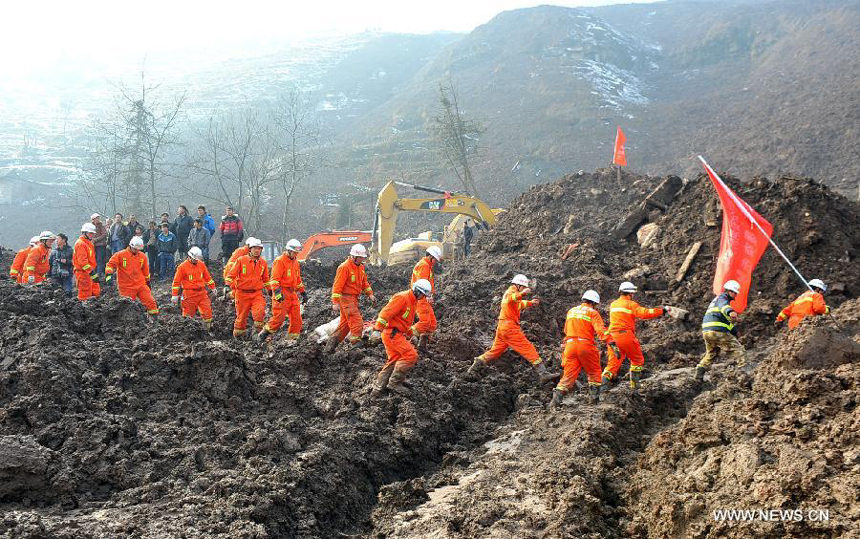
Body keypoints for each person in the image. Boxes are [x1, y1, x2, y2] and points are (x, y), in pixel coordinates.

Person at [468, 274, 557, 382]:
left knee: (495, 350)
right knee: (528, 348)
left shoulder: (511, 293)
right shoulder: (511, 292)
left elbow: (518, 304)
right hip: (509, 327)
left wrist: (530, 303)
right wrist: (523, 293)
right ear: (519, 285)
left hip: (502, 327)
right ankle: (543, 373)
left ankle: (477, 364)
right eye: (523, 287)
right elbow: (512, 299)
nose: (524, 289)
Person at [368, 279, 433, 396]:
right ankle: (395, 382)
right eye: (423, 295)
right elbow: (385, 313)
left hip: (396, 334)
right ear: (418, 291)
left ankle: (377, 389)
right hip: (392, 334)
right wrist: (377, 330)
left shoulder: (412, 301)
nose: (423, 298)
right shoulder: (402, 297)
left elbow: (403, 321)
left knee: (394, 359)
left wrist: (410, 334)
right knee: (410, 355)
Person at [602, 281, 666, 389]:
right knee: (637, 360)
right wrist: (662, 311)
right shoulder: (631, 304)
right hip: (625, 336)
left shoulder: (613, 304)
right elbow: (645, 313)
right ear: (631, 293)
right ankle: (635, 387)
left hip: (613, 337)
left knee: (612, 365)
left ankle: (601, 389)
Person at [551, 290, 609, 406]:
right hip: (585, 345)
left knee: (568, 376)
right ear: (594, 303)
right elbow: (600, 331)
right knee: (594, 372)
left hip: (570, 346)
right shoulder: (592, 312)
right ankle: (594, 401)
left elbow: (566, 330)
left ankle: (554, 403)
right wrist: (611, 342)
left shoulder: (571, 311)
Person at [325, 244, 377, 352]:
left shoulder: (361, 267)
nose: (362, 259)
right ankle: (355, 345)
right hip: (345, 298)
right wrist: (335, 302)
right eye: (361, 257)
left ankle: (330, 347)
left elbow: (364, 283)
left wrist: (370, 294)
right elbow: (337, 285)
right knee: (357, 322)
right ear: (353, 256)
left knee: (345, 325)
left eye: (363, 257)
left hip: (354, 299)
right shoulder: (344, 267)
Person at [696, 280, 745, 382]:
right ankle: (745, 375)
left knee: (711, 353)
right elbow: (724, 307)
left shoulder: (715, 303)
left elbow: (726, 322)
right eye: (735, 293)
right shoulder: (722, 298)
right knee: (739, 351)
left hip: (707, 332)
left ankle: (699, 374)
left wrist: (735, 332)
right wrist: (730, 311)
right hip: (717, 331)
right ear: (729, 291)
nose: (735, 296)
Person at [258, 239, 307, 342]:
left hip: (292, 294)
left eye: (297, 253)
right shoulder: (280, 261)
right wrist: (277, 293)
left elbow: (298, 280)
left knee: (297, 319)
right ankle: (263, 334)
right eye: (294, 252)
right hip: (282, 292)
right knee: (279, 318)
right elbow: (274, 279)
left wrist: (303, 292)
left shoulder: (295, 263)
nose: (296, 254)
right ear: (288, 250)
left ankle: (292, 340)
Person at [105, 237, 158, 319]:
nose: (137, 251)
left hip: (140, 284)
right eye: (136, 249)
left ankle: (154, 320)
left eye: (138, 250)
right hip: (126, 286)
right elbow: (110, 265)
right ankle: (129, 323)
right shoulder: (120, 255)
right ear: (131, 246)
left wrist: (148, 282)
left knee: (151, 302)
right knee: (128, 306)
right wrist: (109, 275)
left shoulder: (142, 256)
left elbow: (146, 271)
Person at [226, 237, 269, 338]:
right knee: (241, 318)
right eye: (255, 248)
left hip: (256, 293)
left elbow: (266, 279)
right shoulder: (241, 260)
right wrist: (227, 285)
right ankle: (238, 338)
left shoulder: (263, 263)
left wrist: (271, 290)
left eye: (259, 248)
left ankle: (260, 337)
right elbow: (231, 274)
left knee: (259, 312)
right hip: (242, 294)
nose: (257, 250)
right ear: (250, 249)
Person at [171, 247, 216, 330]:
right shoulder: (182, 267)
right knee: (188, 314)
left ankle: (208, 329)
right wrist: (174, 295)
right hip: (189, 294)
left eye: (197, 259)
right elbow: (176, 282)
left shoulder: (201, 264)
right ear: (190, 257)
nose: (196, 261)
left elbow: (207, 277)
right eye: (195, 259)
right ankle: (186, 331)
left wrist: (213, 287)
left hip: (202, 293)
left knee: (207, 311)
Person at [410, 246, 442, 351]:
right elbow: (422, 284)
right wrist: (428, 295)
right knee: (424, 322)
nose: (435, 262)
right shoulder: (424, 266)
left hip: (425, 298)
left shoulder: (426, 265)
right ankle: (406, 335)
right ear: (431, 256)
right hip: (421, 298)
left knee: (432, 324)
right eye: (435, 260)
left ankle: (422, 345)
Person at [74, 223, 101, 300]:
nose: (92, 235)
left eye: (93, 233)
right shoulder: (80, 244)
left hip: (89, 271)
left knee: (95, 291)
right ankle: (84, 309)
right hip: (83, 273)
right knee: (85, 295)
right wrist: (92, 272)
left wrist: (92, 272)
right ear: (84, 232)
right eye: (90, 233)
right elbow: (82, 262)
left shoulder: (88, 243)